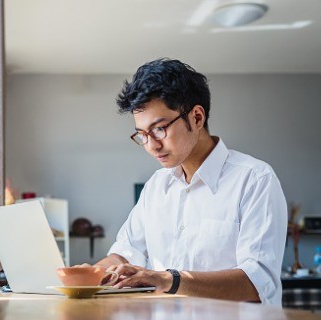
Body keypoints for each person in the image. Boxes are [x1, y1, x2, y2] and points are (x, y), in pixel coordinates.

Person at [93, 58, 287, 305]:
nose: (151, 145)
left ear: (196, 117)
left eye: (159, 129)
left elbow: (257, 283)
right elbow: (125, 254)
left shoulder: (255, 180)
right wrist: (90, 273)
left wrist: (169, 280)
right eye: (142, 135)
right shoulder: (156, 186)